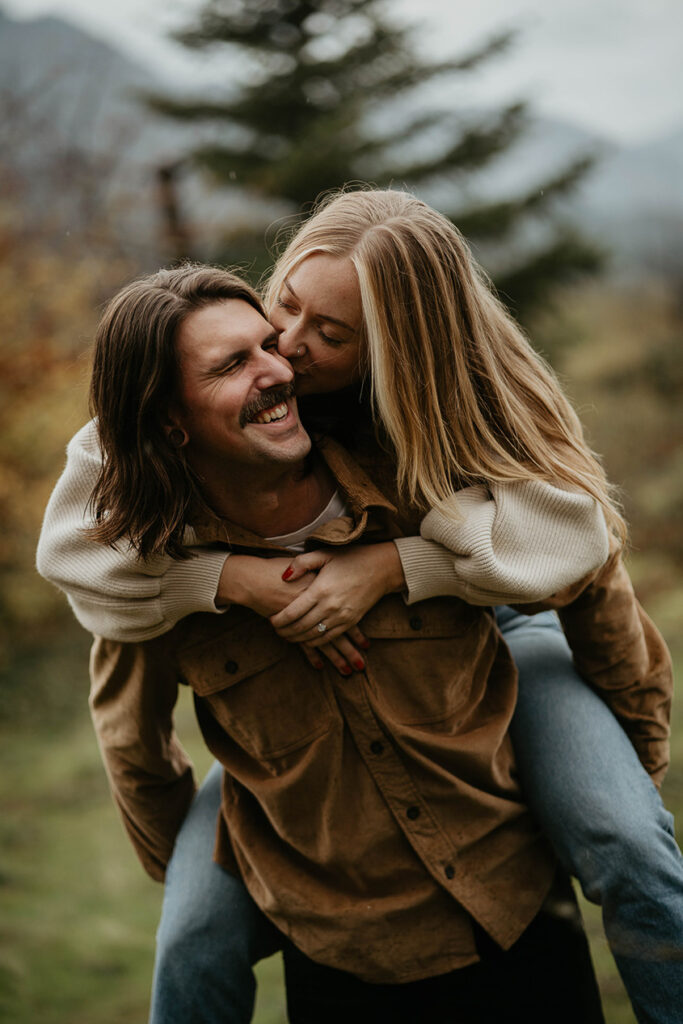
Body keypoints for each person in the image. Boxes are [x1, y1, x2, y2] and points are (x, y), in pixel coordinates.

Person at [36, 190, 682, 1023]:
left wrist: (397, 564)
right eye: (285, 309)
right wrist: (230, 581)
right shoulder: (189, 395)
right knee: (192, 936)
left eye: (328, 335)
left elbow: (582, 552)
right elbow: (77, 557)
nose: (290, 352)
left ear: (397, 352)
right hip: (283, 705)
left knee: (629, 843)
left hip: (504, 614)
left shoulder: (477, 393)